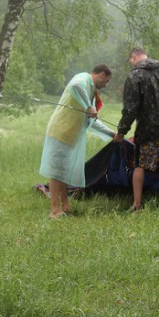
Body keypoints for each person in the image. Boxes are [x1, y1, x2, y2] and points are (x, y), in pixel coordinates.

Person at [113, 47, 159, 209]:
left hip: (149, 131)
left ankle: (137, 204)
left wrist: (121, 132)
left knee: (140, 164)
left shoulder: (135, 75)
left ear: (133, 58)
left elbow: (130, 109)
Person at [40, 64, 114, 219]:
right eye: (106, 81)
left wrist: (112, 134)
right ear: (100, 74)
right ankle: (54, 210)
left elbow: (92, 121)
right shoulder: (83, 78)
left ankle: (65, 205)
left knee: (65, 171)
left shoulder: (90, 93)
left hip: (71, 135)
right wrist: (88, 106)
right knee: (57, 171)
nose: (106, 85)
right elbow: (75, 85)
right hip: (60, 131)